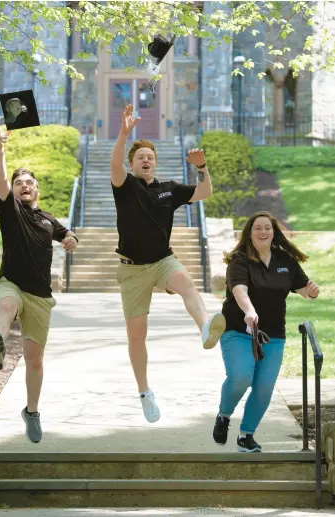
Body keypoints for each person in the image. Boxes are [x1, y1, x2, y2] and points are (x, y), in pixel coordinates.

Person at [110, 104, 226, 423]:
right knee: (137, 336)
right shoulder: (125, 187)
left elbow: (205, 192)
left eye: (150, 157)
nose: (145, 160)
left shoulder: (169, 190)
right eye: (140, 157)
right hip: (132, 270)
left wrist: (202, 167)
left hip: (163, 260)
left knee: (187, 285)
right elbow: (115, 164)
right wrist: (123, 133)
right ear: (133, 164)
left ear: (155, 164)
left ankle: (205, 328)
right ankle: (145, 392)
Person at [0, 125, 79, 443]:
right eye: (18, 183)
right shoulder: (10, 210)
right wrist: (0, 148)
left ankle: (32, 411)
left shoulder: (47, 218)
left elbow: (65, 232)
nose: (23, 186)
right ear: (12, 190)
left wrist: (69, 238)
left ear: (36, 188)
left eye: (29, 182)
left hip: (40, 295)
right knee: (8, 304)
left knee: (34, 360)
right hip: (10, 283)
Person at [213, 211, 320, 452]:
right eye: (258, 228)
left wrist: (311, 291)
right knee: (241, 377)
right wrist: (249, 311)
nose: (263, 232)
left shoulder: (285, 261)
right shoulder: (240, 261)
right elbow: (240, 291)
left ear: (274, 232)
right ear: (249, 233)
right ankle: (223, 415)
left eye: (267, 228)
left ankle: (246, 435)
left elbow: (303, 288)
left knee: (263, 388)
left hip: (273, 334)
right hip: (239, 330)